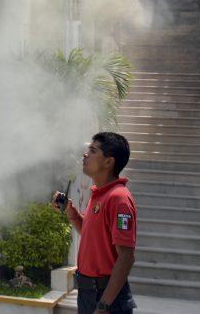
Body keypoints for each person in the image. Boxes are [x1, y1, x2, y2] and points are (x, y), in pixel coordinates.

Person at [53, 132, 137, 314]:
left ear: (108, 162)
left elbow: (126, 257)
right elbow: (90, 233)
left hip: (106, 298)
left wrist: (104, 305)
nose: (85, 154)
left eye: (92, 150)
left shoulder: (119, 198)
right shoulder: (99, 194)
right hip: (88, 293)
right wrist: (70, 211)